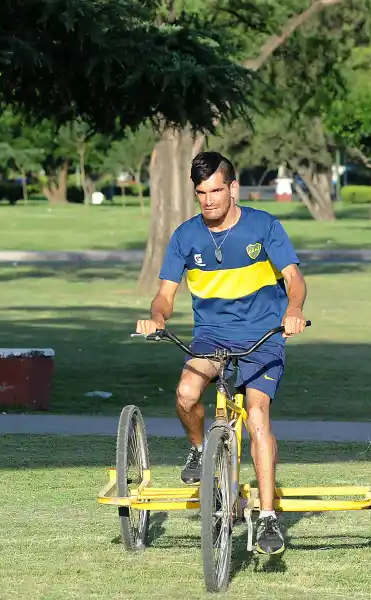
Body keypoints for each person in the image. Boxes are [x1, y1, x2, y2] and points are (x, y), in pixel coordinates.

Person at [135, 151, 308, 555]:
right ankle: (200, 450)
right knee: (186, 394)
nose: (209, 200)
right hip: (211, 336)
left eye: (216, 190)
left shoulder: (264, 226)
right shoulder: (185, 236)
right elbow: (164, 296)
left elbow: (294, 279)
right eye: (201, 193)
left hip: (264, 335)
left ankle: (267, 518)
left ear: (233, 188)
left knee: (257, 414)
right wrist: (157, 319)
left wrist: (294, 311)